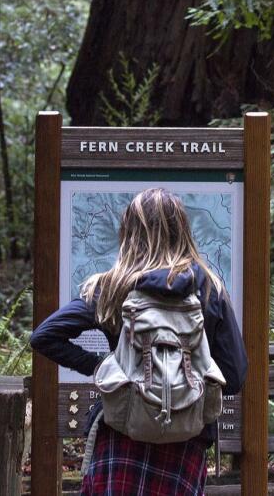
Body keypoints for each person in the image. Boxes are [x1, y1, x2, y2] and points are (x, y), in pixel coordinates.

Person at [30, 188, 248, 496]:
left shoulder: (112, 287)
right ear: (182, 229)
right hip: (185, 446)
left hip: (122, 436)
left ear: (129, 231)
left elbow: (44, 336)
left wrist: (106, 367)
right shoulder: (210, 289)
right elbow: (235, 377)